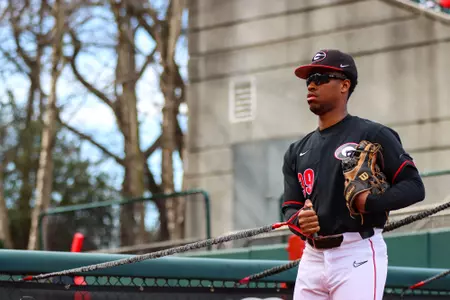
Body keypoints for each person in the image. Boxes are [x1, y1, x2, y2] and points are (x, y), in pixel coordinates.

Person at [281, 49, 426, 300]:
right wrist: (299, 221)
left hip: (356, 250)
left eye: (321, 77)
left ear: (344, 85)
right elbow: (289, 207)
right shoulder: (297, 150)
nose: (312, 84)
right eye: (309, 79)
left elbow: (414, 186)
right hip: (312, 257)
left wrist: (370, 203)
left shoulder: (373, 134)